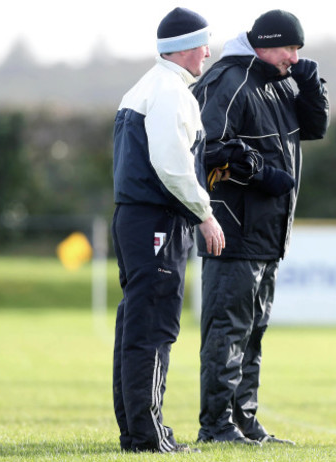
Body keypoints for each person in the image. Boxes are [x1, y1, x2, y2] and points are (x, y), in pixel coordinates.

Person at [192, 9, 329, 446]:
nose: (294, 57)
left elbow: (316, 128)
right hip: (232, 231)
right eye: (289, 47)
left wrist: (311, 88)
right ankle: (216, 426)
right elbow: (206, 147)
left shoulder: (281, 84)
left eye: (298, 50)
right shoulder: (228, 80)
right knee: (227, 331)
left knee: (253, 332)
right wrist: (258, 174)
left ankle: (244, 421)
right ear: (263, 44)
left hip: (268, 235)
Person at [111, 7, 225, 453]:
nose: (207, 52)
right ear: (183, 48)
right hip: (158, 219)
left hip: (136, 218)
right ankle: (148, 436)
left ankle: (136, 431)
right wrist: (206, 212)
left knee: (135, 327)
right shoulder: (170, 92)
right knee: (154, 327)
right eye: (203, 44)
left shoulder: (143, 87)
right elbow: (171, 165)